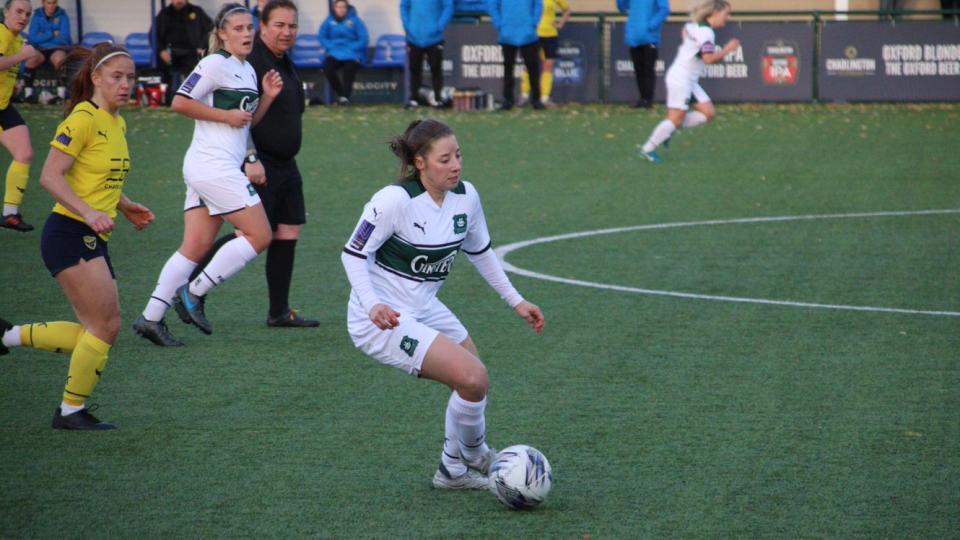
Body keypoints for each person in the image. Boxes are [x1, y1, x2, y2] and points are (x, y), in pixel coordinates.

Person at [340, 119, 545, 489]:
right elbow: (353, 253)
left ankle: (452, 469)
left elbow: (480, 252)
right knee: (472, 377)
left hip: (423, 304)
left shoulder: (466, 198)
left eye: (458, 156)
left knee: (473, 378)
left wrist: (516, 301)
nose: (456, 166)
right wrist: (372, 305)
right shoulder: (393, 201)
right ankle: (477, 454)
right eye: (445, 159)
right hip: (381, 318)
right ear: (420, 162)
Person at [0, 43, 153, 429]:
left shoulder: (116, 121)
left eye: (130, 78)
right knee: (106, 327)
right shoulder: (83, 117)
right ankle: (70, 411)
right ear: (96, 78)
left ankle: (7, 336)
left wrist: (124, 204)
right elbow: (51, 175)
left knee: (96, 330)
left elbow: (96, 179)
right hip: (69, 232)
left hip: (88, 233)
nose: (125, 85)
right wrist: (88, 212)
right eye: (117, 77)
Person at [133, 3, 282, 346]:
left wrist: (267, 99)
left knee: (194, 246)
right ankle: (195, 292)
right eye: (239, 29)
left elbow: (244, 124)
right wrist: (224, 116)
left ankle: (151, 318)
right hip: (211, 166)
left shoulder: (245, 70)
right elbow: (179, 102)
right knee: (260, 235)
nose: (247, 34)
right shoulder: (214, 63)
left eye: (250, 28)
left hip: (216, 167)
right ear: (222, 34)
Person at [183, 0, 317, 330]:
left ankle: (279, 311)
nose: (287, 32)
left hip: (286, 163)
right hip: (260, 163)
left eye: (293, 26)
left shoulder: (284, 61)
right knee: (252, 233)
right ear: (263, 26)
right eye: (280, 25)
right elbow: (241, 118)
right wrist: (252, 157)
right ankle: (188, 289)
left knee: (287, 231)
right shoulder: (250, 61)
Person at [638, 0, 738, 163]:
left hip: (687, 79)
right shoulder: (706, 33)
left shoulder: (696, 25)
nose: (727, 17)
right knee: (676, 118)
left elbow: (685, 31)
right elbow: (708, 59)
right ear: (715, 13)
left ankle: (668, 131)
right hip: (681, 79)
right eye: (726, 14)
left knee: (708, 113)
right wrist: (727, 49)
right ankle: (647, 149)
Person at [0, 0, 37, 232]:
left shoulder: (17, 40)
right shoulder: (2, 34)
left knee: (24, 153)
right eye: (18, 11)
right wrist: (23, 56)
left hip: (3, 107)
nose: (23, 17)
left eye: (28, 14)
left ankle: (10, 214)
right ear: (5, 12)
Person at [155, 0, 214, 105]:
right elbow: (155, 35)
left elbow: (210, 29)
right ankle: (169, 99)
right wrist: (161, 50)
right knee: (167, 70)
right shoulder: (164, 14)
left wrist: (202, 46)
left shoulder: (197, 12)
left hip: (192, 52)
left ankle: (193, 98)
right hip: (170, 52)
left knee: (197, 70)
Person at [489, 0, 543, 110]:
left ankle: (536, 100)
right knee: (508, 70)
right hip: (507, 34)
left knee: (533, 69)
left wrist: (533, 23)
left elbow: (538, 4)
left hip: (528, 34)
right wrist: (499, 24)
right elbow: (492, 5)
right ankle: (508, 101)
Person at [400, 0, 453, 109]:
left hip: (434, 37)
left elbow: (448, 6)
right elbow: (404, 5)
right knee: (414, 68)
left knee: (435, 68)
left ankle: (438, 99)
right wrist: (407, 24)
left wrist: (440, 26)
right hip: (414, 37)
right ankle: (414, 99)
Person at [617, 0, 669, 109]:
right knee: (638, 69)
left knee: (648, 69)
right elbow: (622, 7)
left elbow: (664, 10)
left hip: (650, 37)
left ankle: (648, 100)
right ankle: (642, 98)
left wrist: (651, 25)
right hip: (634, 36)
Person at [520, 0, 570, 107]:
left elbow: (567, 10)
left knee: (548, 65)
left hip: (550, 35)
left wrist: (560, 24)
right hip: (534, 33)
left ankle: (544, 98)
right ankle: (524, 95)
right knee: (529, 64)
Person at [319, 0, 368, 106]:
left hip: (352, 53)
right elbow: (322, 36)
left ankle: (345, 97)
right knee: (328, 69)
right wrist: (331, 46)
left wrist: (352, 48)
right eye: (338, 7)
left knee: (349, 68)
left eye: (343, 7)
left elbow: (363, 39)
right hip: (334, 52)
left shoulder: (355, 21)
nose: (341, 9)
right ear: (334, 8)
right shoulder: (329, 21)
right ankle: (341, 94)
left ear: (347, 8)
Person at [23, 0, 71, 104]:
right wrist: (52, 33)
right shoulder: (37, 16)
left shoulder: (62, 15)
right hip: (40, 48)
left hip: (57, 47)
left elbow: (64, 38)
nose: (52, 6)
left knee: (60, 59)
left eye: (54, 2)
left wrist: (42, 35)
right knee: (31, 59)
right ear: (43, 3)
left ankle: (60, 96)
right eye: (49, 3)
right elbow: (33, 38)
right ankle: (28, 94)